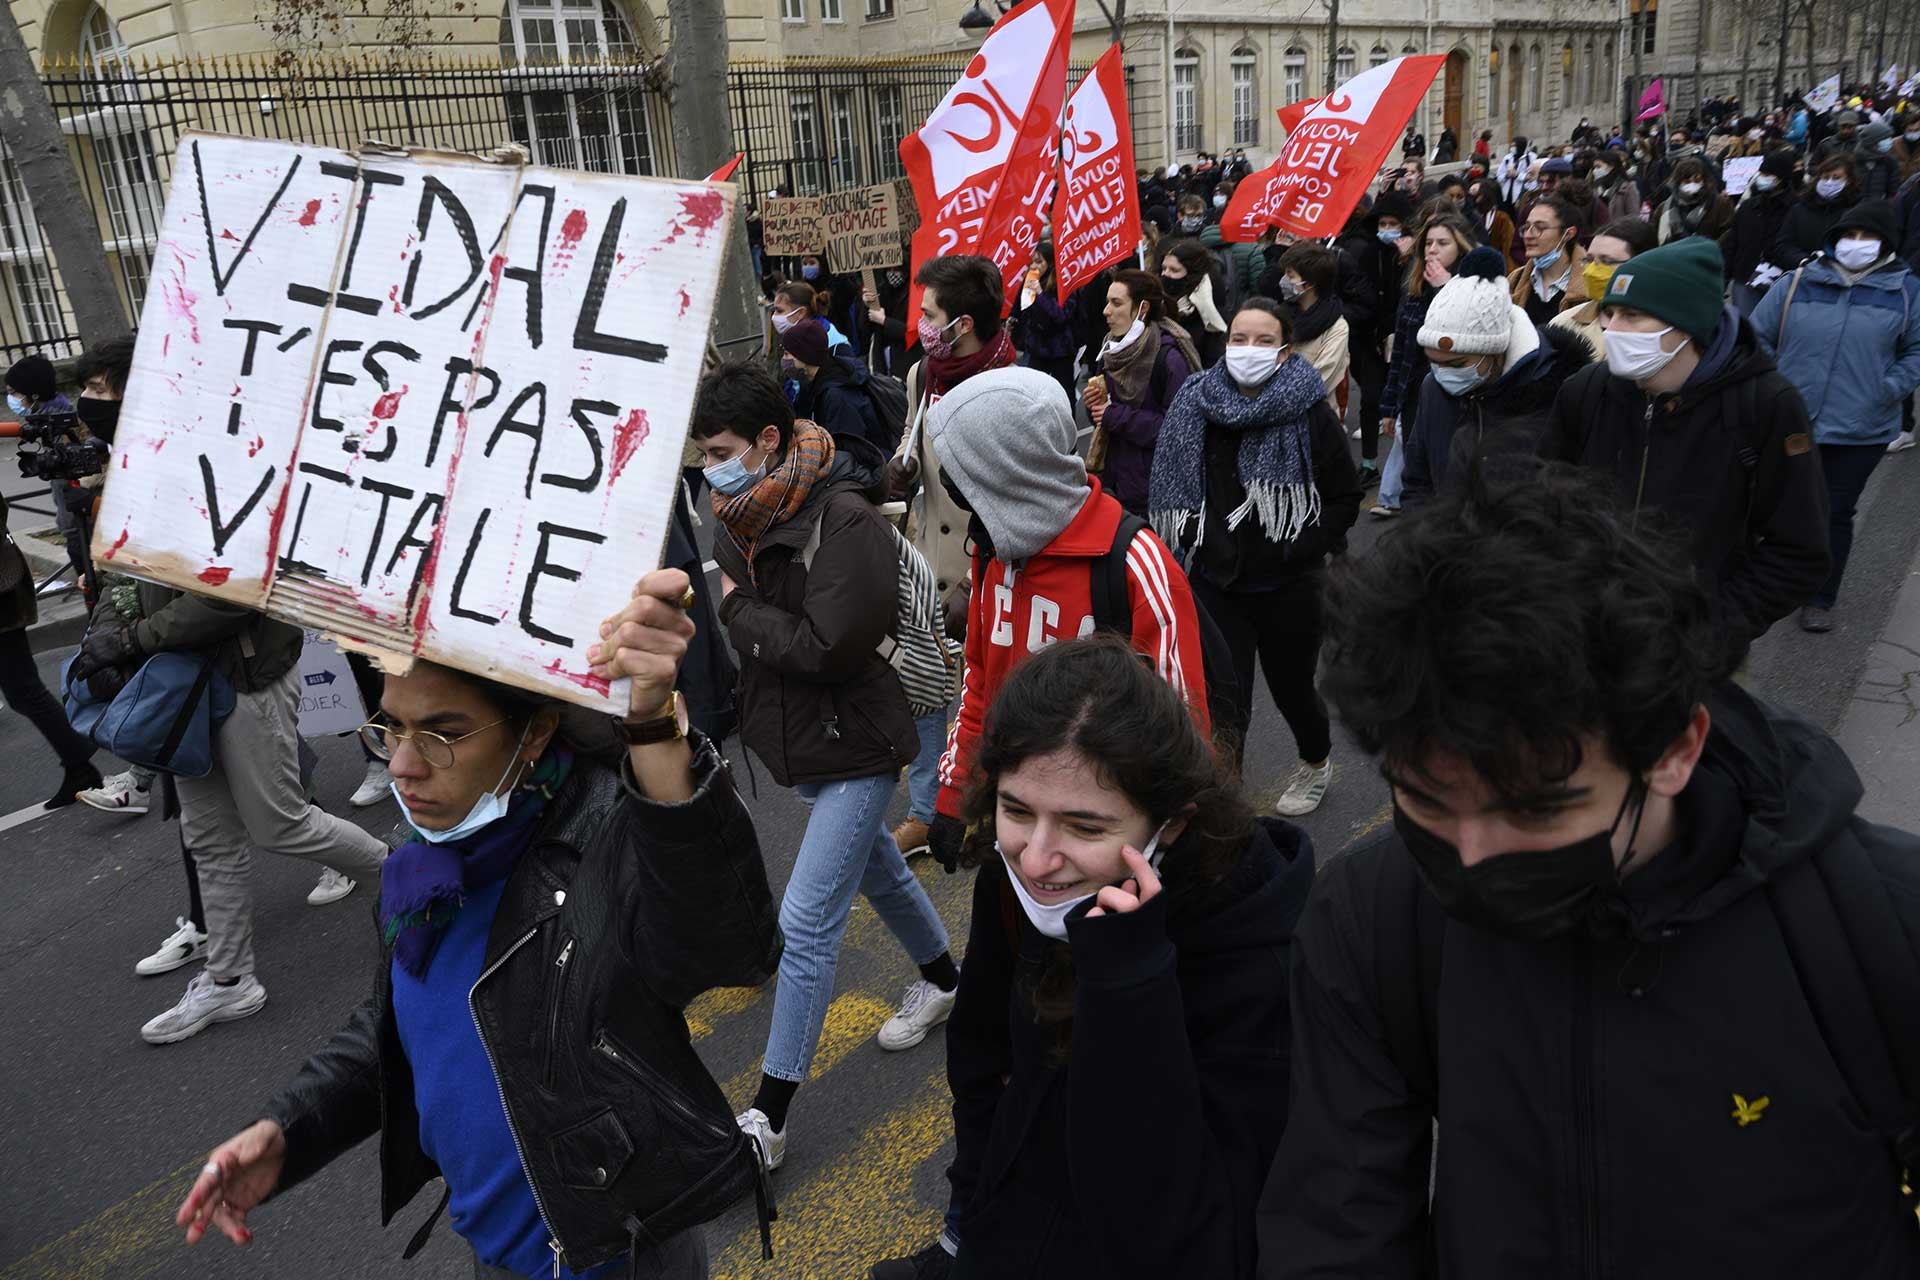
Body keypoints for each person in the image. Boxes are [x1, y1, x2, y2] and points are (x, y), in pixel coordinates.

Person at [1259, 459, 1920, 1279]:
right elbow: (1336, 1225)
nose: (1468, 854)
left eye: (1534, 809)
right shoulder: (1375, 916)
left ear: (1675, 749)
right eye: (1424, 799)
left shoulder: (1877, 924)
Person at [170, 573, 783, 1278]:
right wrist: (291, 1130)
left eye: (443, 734)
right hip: (497, 1255)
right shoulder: (420, 862)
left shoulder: (594, 849)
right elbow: (399, 1023)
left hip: (612, 1256)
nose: (403, 764)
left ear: (534, 734)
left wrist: (652, 727)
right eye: (393, 727)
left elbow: (723, 945)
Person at [877, 635, 1311, 1280]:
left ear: (1173, 824)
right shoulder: (1014, 878)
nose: (1038, 858)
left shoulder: (1261, 968)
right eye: (1016, 810)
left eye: (1085, 827)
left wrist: (1130, 983)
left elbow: (1188, 1238)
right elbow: (980, 1065)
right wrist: (965, 1227)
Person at [692, 361, 960, 1171]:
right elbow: (775, 622)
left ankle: (768, 1120)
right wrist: (750, 612)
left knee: (806, 923)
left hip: (861, 740)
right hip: (810, 736)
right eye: (702, 455)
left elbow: (826, 644)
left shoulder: (843, 516)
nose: (710, 470)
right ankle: (946, 979)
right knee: (877, 866)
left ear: (769, 440)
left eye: (721, 450)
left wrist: (738, 611)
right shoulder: (736, 509)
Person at [67, 456, 388, 1046]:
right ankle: (230, 978)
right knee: (209, 838)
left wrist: (134, 639)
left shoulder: (222, 461)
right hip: (185, 683)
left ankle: (405, 885)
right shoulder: (144, 464)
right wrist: (112, 628)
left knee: (280, 824)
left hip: (246, 680)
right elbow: (132, 572)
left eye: (99, 387)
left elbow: (230, 591)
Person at [925, 366, 1213, 849]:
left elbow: (1183, 725)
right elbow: (980, 680)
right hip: (1017, 823)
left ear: (1008, 468)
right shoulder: (994, 553)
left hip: (1105, 836)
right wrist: (955, 797)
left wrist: (1161, 843)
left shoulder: (1133, 564)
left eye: (961, 467)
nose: (950, 482)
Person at [1546, 235, 1832, 649]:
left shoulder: (1766, 406)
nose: (1610, 327)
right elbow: (1544, 502)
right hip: (1583, 637)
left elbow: (1799, 550)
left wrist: (1712, 630)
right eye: (1610, 312)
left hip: (1695, 653)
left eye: (1632, 315)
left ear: (1687, 324)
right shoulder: (1586, 392)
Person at [1150, 298, 1362, 816]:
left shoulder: (1308, 411)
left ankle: (1315, 762)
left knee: (1294, 691)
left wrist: (1304, 544)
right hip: (1216, 584)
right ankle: (1225, 800)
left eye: (1264, 341)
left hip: (1290, 586)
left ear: (1285, 352)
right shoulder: (1195, 402)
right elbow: (1171, 485)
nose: (1249, 349)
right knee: (1224, 702)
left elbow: (1345, 497)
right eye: (1239, 338)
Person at [886, 254, 1019, 858]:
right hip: (927, 559)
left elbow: (1022, 494)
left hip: (987, 568)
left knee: (991, 693)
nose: (920, 323)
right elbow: (913, 441)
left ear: (963, 322)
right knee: (927, 690)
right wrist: (901, 470)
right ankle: (928, 807)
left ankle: (997, 808)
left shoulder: (1016, 384)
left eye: (930, 313)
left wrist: (984, 572)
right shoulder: (923, 374)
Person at [1752, 200, 1920, 632]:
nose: (1857, 244)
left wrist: (1889, 388)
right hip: (1791, 420)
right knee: (1776, 503)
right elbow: (1756, 337)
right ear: (1835, 239)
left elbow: (1916, 352)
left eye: (1869, 238)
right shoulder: (1796, 282)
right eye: (1851, 235)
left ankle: (1820, 597)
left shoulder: (1906, 292)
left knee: (1835, 511)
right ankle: (1770, 580)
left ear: (1886, 244)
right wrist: (1776, 385)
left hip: (1861, 428)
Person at [1404, 245, 1593, 505]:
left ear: (1496, 351)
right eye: (1434, 363)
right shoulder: (1432, 388)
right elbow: (1417, 480)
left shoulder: (1560, 394)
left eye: (1457, 364)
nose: (1442, 374)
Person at [0, 486, 102, 807]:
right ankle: (78, 761)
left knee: (24, 690)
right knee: (22, 692)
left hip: (2, 605)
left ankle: (79, 761)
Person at [1376, 210, 1479, 518]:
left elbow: (1473, 336)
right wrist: (1389, 407)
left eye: (1443, 243)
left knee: (1452, 477)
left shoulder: (1476, 289)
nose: (1432, 249)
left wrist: (1447, 289)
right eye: (1428, 243)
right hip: (1414, 398)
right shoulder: (1414, 290)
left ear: (1461, 247)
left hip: (1459, 396)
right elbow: (1402, 356)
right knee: (1418, 475)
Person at [1085, 269, 1201, 517]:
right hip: (1113, 482)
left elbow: (1175, 429)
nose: (1106, 311)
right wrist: (1094, 404)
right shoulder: (1112, 348)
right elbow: (1103, 415)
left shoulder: (1169, 358)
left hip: (1153, 491)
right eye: (1108, 302)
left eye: (1116, 303)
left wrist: (1112, 415)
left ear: (1142, 308)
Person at [1341, 189, 1416, 483]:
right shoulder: (1366, 252)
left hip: (1404, 339)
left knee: (1405, 405)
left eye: (1392, 224)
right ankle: (1370, 463)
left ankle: (1409, 468)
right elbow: (1359, 293)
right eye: (1382, 224)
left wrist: (1408, 259)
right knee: (1371, 398)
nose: (1386, 230)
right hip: (1369, 339)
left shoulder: (1415, 255)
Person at [1550, 217, 1656, 355]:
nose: (1591, 271)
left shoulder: (1662, 331)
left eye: (1607, 261)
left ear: (1642, 265)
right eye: (1589, 260)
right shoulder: (1564, 323)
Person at [781, 318, 889, 451]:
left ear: (804, 356)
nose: (784, 360)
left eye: (787, 354)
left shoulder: (837, 395)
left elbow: (849, 450)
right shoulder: (811, 383)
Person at [1270, 244, 1350, 420]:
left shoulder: (1337, 327)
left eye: (1290, 275)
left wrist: (1271, 401)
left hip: (1315, 420)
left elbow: (1320, 379)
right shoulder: (1279, 316)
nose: (1283, 280)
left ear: (1310, 283)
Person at [1724, 149, 1801, 313]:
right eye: (1761, 173)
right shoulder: (1748, 207)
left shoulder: (1797, 209)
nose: (1761, 178)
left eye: (1767, 174)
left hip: (1779, 280)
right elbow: (1733, 242)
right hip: (1744, 276)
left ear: (1780, 178)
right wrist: (1725, 276)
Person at [1509, 194, 1589, 326]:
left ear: (1568, 234)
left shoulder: (1589, 285)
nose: (1528, 235)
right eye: (1526, 227)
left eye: (1540, 228)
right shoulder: (1515, 280)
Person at [1013, 242, 1077, 403]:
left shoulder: (1063, 284)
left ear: (1050, 263)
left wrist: (1040, 294)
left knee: (1064, 395)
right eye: (1032, 262)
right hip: (1036, 348)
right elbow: (1022, 313)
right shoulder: (1029, 281)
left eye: (1039, 262)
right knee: (1033, 394)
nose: (1034, 266)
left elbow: (1061, 316)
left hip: (1059, 350)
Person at [1773, 152, 1862, 266]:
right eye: (1825, 177)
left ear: (1849, 180)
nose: (1829, 182)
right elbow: (1783, 244)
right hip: (1801, 272)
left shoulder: (1857, 211)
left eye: (1836, 178)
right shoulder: (1800, 209)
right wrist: (1804, 261)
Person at [1156, 238, 1230, 369]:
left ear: (1191, 275)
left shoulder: (1210, 312)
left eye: (1174, 270)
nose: (1166, 275)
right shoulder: (1157, 306)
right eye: (1164, 268)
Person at [1653, 156, 1737, 244]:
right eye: (1687, 181)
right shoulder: (1664, 208)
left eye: (1697, 181)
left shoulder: (1721, 204)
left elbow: (1727, 235)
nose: (1692, 184)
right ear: (1678, 182)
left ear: (1704, 181)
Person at [1469, 177, 1517, 263]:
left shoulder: (1501, 217)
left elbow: (1508, 247)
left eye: (1479, 194)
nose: (1474, 199)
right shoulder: (1469, 215)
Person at [1857, 121, 1903, 200]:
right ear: (1873, 141)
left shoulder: (1890, 161)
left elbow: (1893, 190)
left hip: (1880, 208)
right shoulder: (1856, 159)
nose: (1889, 142)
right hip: (1857, 209)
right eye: (1885, 139)